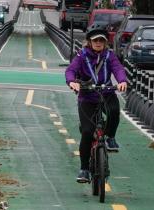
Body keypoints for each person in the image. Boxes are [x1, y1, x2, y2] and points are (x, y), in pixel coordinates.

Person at [65, 23, 127, 183]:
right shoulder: (82, 55)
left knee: (114, 111)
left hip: (106, 93)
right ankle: (84, 169)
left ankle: (111, 138)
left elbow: (118, 68)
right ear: (89, 42)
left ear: (105, 42)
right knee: (87, 132)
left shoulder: (109, 55)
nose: (98, 43)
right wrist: (72, 82)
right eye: (95, 40)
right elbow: (71, 70)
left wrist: (121, 81)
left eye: (101, 40)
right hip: (87, 97)